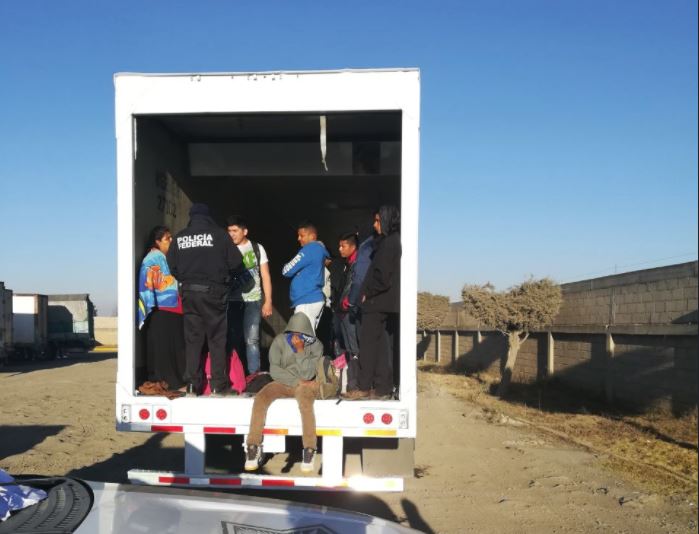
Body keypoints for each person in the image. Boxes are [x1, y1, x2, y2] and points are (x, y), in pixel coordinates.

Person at [167, 203, 243, 397]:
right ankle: (219, 386)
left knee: (193, 340)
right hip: (213, 293)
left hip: (189, 294)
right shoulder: (219, 235)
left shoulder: (180, 237)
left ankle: (192, 386)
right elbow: (236, 262)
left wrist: (187, 278)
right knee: (216, 340)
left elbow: (172, 266)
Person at [244, 313, 323, 473]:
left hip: (305, 385)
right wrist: (295, 381)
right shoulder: (280, 341)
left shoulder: (316, 345)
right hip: (284, 382)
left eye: (302, 334)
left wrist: (300, 351)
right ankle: (253, 446)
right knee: (261, 397)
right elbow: (275, 370)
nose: (297, 337)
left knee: (305, 402)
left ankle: (309, 449)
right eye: (293, 334)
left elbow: (307, 374)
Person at [344, 205, 401, 401]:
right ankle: (383, 387)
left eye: (377, 221)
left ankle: (363, 386)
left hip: (376, 302)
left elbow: (383, 277)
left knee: (367, 345)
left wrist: (367, 293)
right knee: (381, 346)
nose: (374, 224)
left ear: (386, 220)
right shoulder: (390, 241)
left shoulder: (388, 243)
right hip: (382, 302)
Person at [137, 226, 185, 391]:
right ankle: (171, 382)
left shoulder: (164, 257)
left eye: (171, 238)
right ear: (157, 241)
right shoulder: (153, 258)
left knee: (171, 348)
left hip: (170, 309)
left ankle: (172, 381)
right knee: (168, 349)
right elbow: (147, 284)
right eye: (167, 238)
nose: (171, 241)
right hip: (163, 309)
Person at [225, 216, 273, 375]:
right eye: (229, 231)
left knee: (251, 340)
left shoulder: (257, 248)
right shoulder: (226, 248)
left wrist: (268, 301)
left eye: (235, 231)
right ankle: (235, 374)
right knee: (232, 339)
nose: (231, 234)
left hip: (253, 300)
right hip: (232, 300)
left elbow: (265, 275)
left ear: (245, 231)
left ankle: (254, 375)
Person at [327, 232, 361, 392]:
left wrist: (347, 304)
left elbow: (355, 287)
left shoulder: (358, 264)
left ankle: (354, 385)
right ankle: (341, 385)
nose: (340, 249)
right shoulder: (345, 264)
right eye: (339, 246)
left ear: (353, 246)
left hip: (349, 313)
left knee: (353, 349)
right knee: (340, 347)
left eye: (343, 246)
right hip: (339, 313)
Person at [281, 221, 329, 333]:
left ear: (312, 236)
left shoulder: (309, 249)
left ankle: (312, 351)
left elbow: (286, 270)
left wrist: (289, 267)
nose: (298, 238)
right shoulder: (319, 250)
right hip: (312, 298)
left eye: (302, 235)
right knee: (307, 335)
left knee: (303, 337)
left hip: (307, 299)